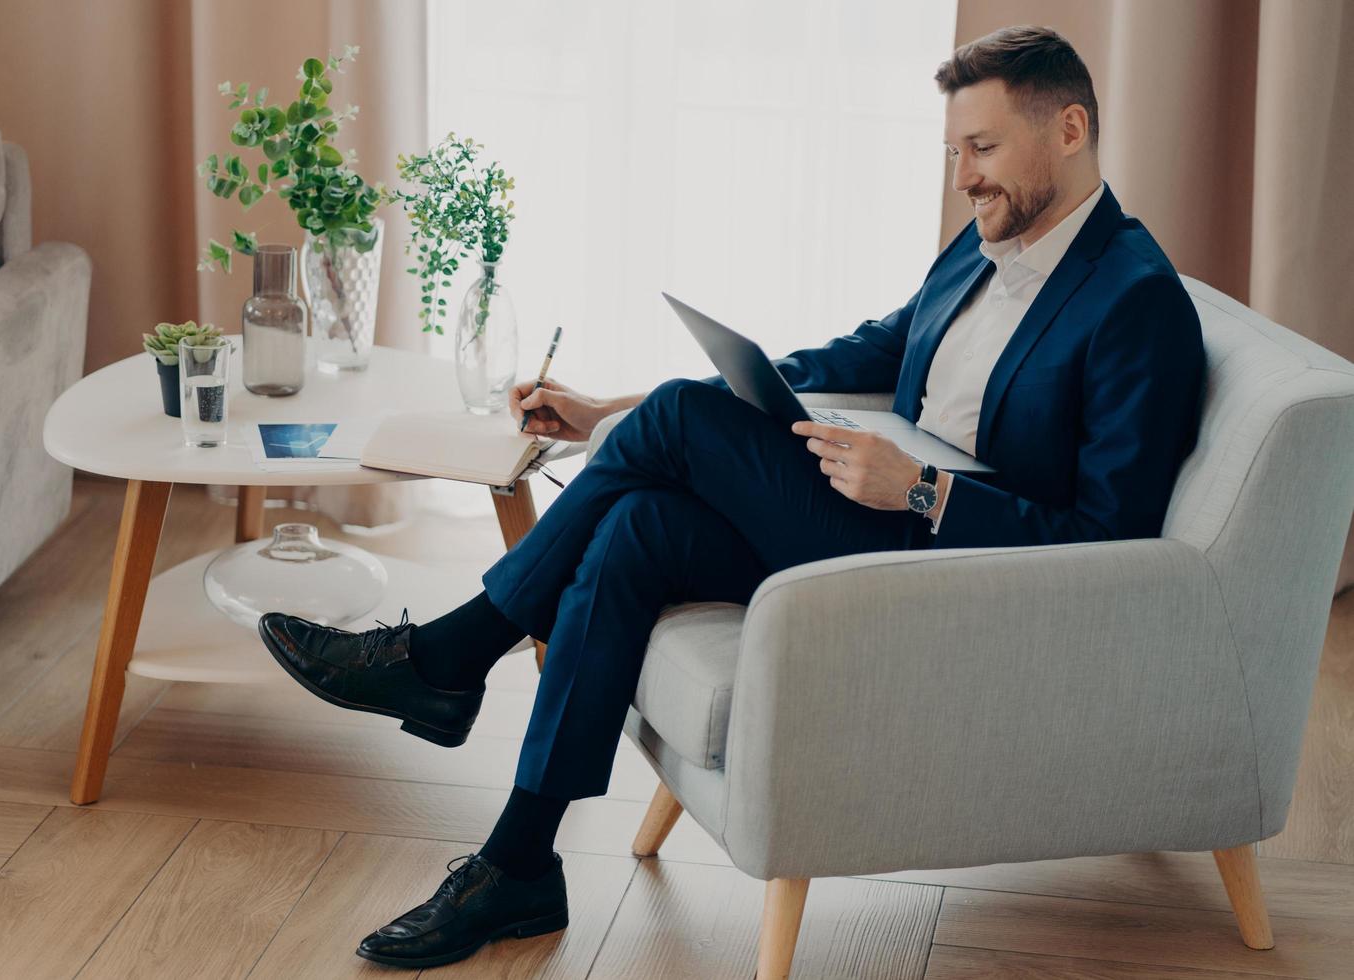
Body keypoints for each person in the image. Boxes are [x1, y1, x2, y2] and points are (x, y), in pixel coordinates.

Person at [258, 24, 1204, 969]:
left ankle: (451, 653)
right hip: (875, 516)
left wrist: (923, 490)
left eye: (984, 148)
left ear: (1071, 129)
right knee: (635, 526)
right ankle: (519, 865)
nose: (964, 176)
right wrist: (605, 410)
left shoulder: (1135, 300)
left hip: (949, 570)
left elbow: (1108, 533)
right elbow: (863, 354)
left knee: (674, 420)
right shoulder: (983, 239)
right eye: (955, 151)